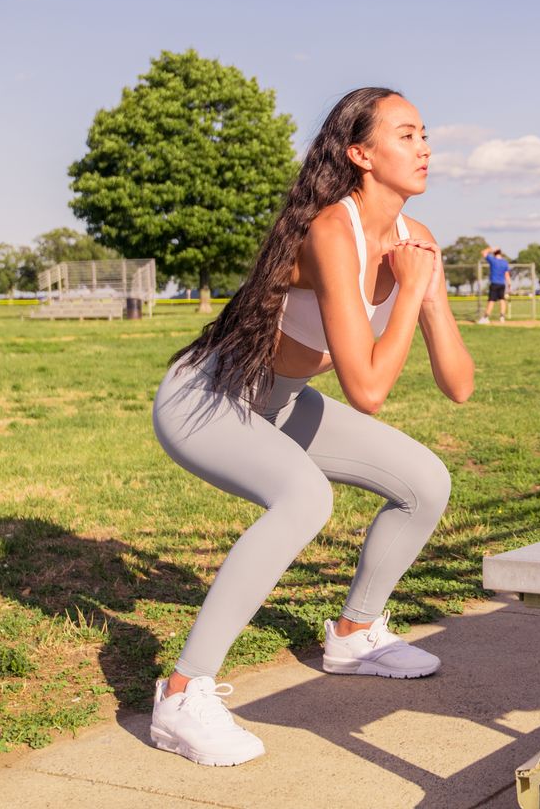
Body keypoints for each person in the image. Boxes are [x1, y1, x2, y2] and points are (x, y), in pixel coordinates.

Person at [149, 87, 474, 766]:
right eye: (408, 135)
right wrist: (411, 290)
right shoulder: (333, 229)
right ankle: (182, 695)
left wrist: (429, 293)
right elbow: (368, 390)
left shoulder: (418, 240)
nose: (425, 148)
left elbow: (459, 384)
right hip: (208, 397)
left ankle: (355, 635)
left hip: (282, 398)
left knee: (425, 482)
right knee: (304, 498)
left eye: (425, 135)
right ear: (360, 153)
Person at [478, 245, 510, 323]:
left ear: (494, 253)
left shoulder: (493, 260)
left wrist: (490, 249)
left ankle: (486, 317)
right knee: (502, 300)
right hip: (502, 284)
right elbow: (507, 274)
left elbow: (483, 252)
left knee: (491, 300)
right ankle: (502, 317)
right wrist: (509, 284)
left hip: (494, 283)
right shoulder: (504, 262)